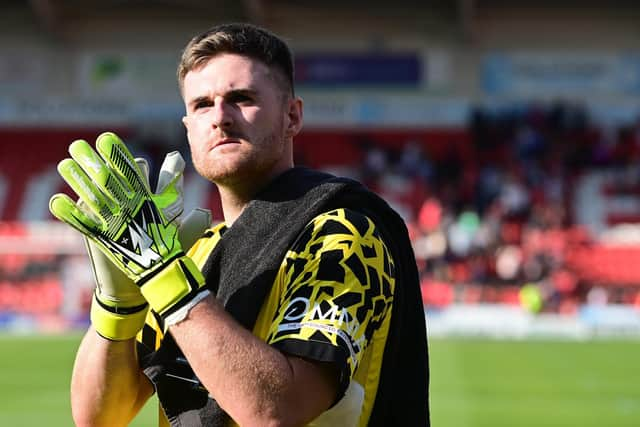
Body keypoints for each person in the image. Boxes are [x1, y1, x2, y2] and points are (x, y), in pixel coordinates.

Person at [66, 22, 430, 427]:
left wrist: (165, 276)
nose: (220, 117)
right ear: (188, 130)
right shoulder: (194, 252)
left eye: (241, 99)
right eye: (202, 104)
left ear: (292, 116)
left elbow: (277, 411)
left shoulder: (343, 236)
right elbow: (99, 416)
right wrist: (118, 307)